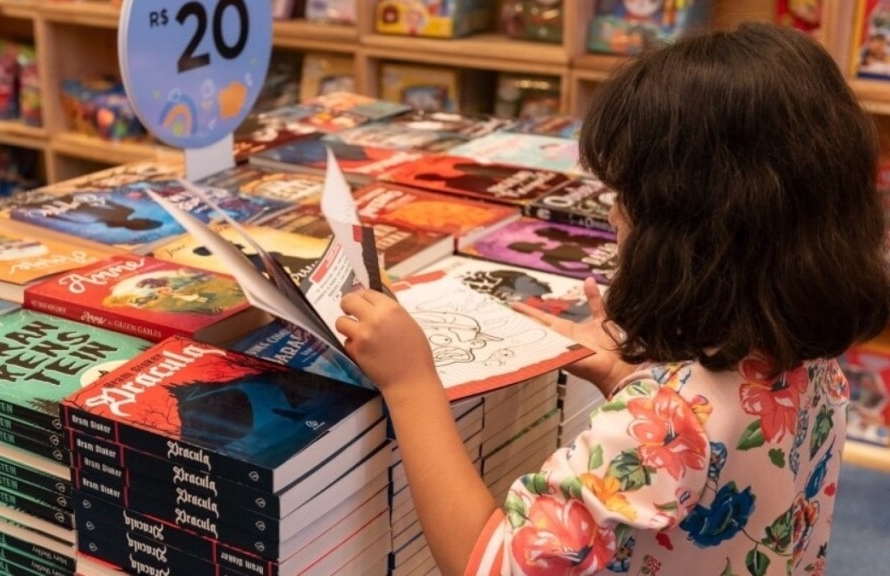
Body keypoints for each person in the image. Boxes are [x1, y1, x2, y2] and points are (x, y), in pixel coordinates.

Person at [336, 23, 890, 576]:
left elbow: (493, 566)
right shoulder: (810, 357)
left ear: (689, 234)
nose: (611, 214)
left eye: (627, 197)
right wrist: (631, 379)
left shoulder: (663, 418)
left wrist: (412, 385)